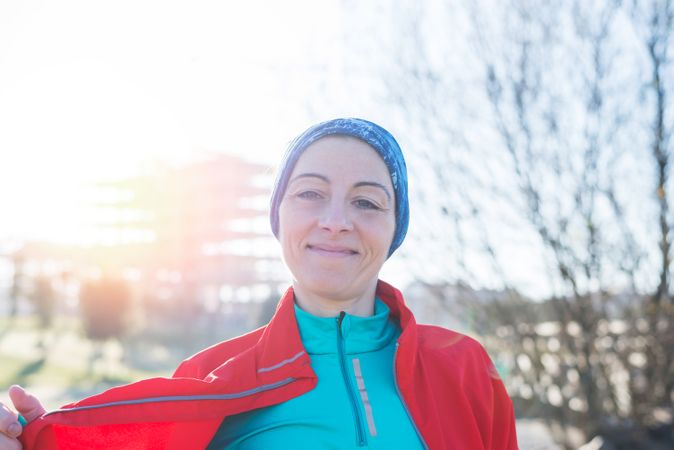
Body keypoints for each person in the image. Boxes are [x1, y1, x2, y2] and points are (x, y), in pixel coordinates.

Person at [0, 118, 519, 449]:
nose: (336, 220)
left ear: (394, 228)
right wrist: (40, 441)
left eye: (366, 201)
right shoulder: (207, 377)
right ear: (278, 218)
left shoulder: (464, 365)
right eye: (310, 194)